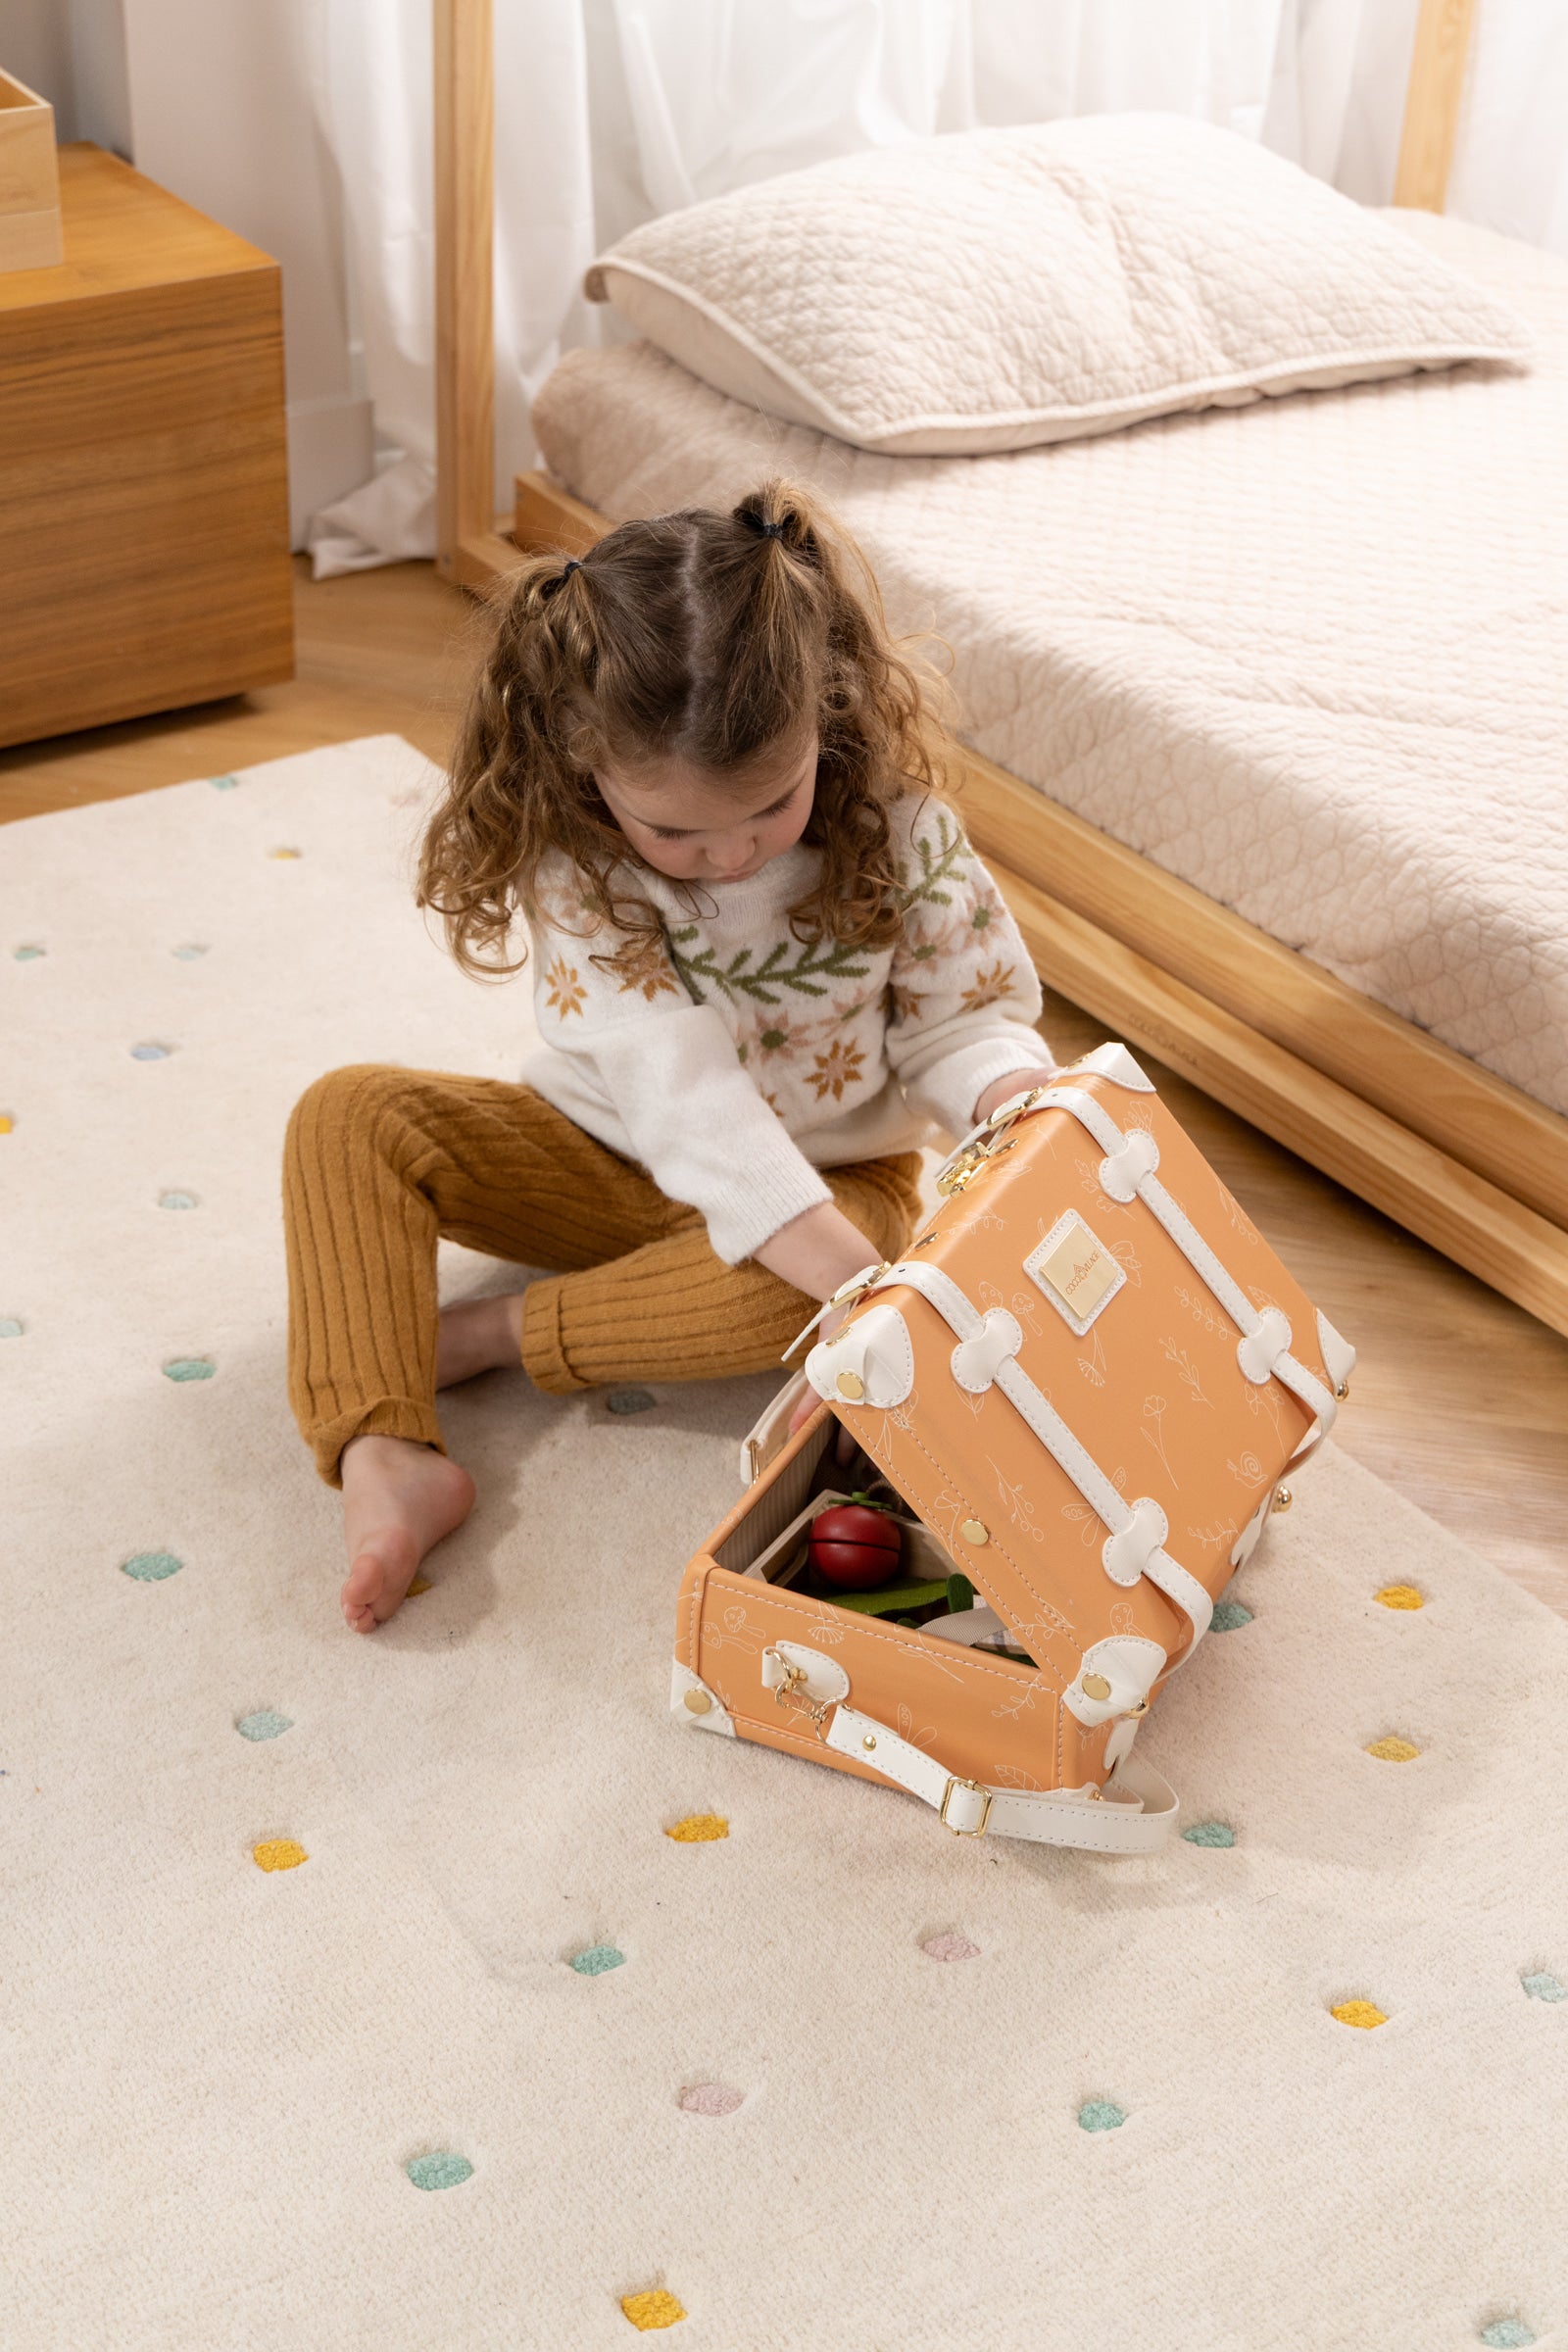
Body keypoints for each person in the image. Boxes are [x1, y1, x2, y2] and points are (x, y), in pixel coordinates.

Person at [282, 479, 1056, 1632]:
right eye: (676, 832)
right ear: (585, 764)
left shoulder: (900, 823)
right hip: (610, 1155)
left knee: (782, 1302)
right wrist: (856, 1293)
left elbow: (962, 1016)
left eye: (771, 805)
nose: (732, 854)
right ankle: (387, 1451)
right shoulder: (578, 866)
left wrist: (1011, 1093)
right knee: (346, 1116)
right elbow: (685, 1102)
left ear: (827, 717)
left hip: (835, 1181)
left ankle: (485, 1336)